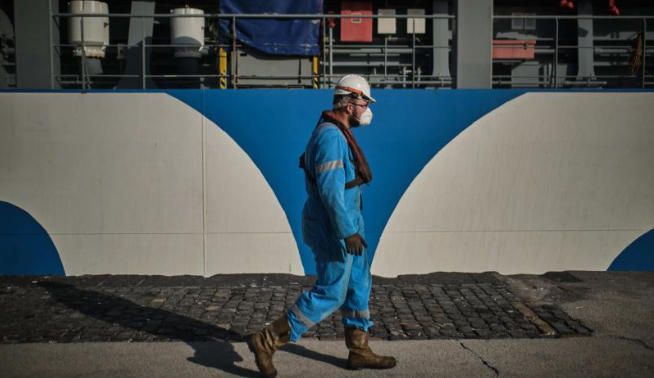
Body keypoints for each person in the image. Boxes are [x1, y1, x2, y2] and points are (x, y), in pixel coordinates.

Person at [247, 74, 396, 377]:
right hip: (335, 227)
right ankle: (267, 340)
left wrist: (353, 227)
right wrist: (347, 231)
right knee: (331, 292)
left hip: (349, 223)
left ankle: (359, 349)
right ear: (350, 102)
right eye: (364, 101)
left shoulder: (338, 133)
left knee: (358, 285)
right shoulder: (330, 137)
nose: (367, 107)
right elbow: (330, 192)